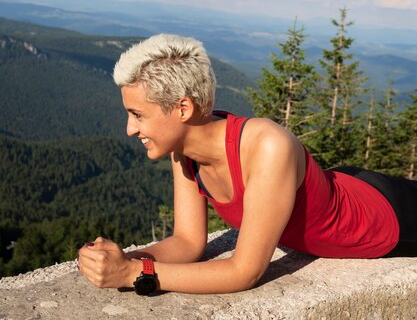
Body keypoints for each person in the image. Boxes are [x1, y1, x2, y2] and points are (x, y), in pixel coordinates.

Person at [78, 34, 417, 295]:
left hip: (389, 217)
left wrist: (132, 274)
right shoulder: (183, 151)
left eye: (137, 115)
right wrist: (123, 260)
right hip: (344, 187)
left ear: (182, 109)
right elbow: (187, 242)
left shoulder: (269, 146)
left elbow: (245, 271)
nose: (130, 128)